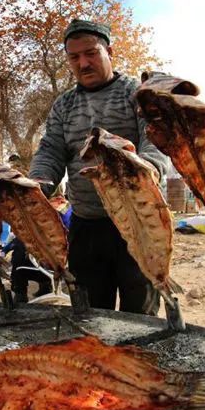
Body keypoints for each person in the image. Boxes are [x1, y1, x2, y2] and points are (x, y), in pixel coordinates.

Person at [29, 18, 168, 316]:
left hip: (139, 223)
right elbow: (50, 150)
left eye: (91, 53)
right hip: (86, 227)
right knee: (90, 315)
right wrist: (37, 184)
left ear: (110, 52)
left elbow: (156, 144)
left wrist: (143, 169)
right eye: (74, 57)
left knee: (140, 318)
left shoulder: (137, 94)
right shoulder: (64, 105)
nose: (83, 63)